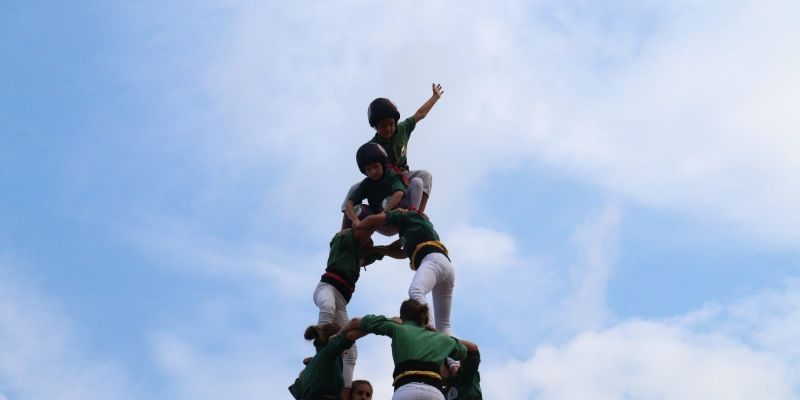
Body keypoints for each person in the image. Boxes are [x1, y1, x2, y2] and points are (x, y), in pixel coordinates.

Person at [340, 83, 444, 229]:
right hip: (383, 179)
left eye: (391, 124)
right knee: (353, 189)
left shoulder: (403, 129)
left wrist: (435, 97)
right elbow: (367, 166)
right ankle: (344, 231)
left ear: (395, 122)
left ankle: (417, 215)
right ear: (376, 127)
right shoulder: (373, 145)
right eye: (383, 126)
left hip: (402, 175)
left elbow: (420, 114)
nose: (388, 129)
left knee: (425, 176)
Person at [314, 222, 396, 398]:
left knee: (351, 351)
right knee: (327, 307)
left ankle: (344, 393)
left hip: (342, 300)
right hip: (326, 287)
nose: (370, 242)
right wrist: (381, 218)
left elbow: (397, 251)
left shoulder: (361, 255)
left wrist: (403, 234)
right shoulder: (344, 239)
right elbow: (359, 228)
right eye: (368, 238)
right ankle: (320, 354)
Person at [343, 300, 468, 400]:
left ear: (402, 316)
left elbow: (356, 322)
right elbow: (463, 351)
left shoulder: (398, 328)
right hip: (435, 393)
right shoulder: (442, 339)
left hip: (406, 390)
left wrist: (338, 334)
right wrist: (439, 335)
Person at [358, 209, 455, 335]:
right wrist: (376, 250)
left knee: (415, 291)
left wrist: (356, 225)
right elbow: (401, 252)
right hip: (445, 265)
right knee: (444, 323)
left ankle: (429, 332)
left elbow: (372, 219)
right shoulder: (412, 228)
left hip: (433, 260)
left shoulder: (405, 216)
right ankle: (448, 353)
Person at [343, 142, 423, 230]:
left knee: (417, 182)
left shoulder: (391, 174)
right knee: (357, 210)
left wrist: (385, 212)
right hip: (376, 221)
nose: (373, 172)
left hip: (396, 214)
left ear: (382, 165)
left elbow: (399, 193)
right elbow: (348, 204)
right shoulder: (366, 183)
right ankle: (354, 238)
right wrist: (355, 220)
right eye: (368, 169)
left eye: (375, 167)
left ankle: (414, 218)